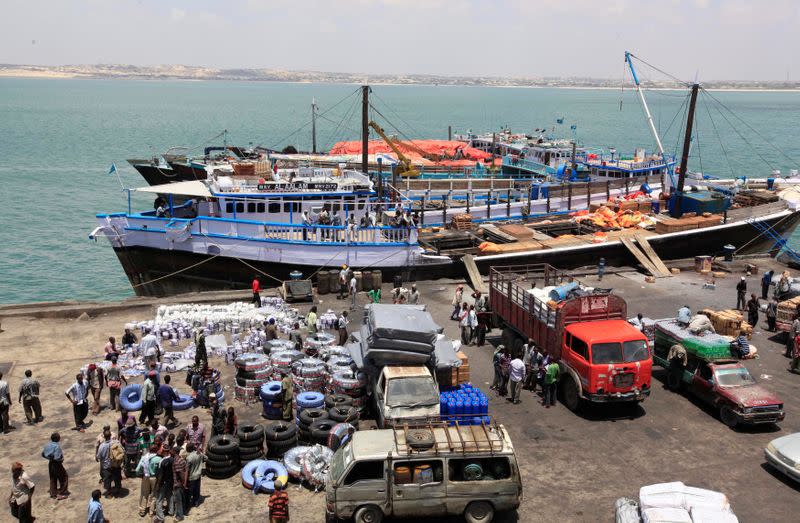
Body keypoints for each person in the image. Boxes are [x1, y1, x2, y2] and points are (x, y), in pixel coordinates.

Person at [135, 445, 161, 517]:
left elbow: (137, 469)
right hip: (154, 478)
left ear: (149, 450)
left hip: (145, 477)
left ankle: (143, 511)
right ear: (157, 450)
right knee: (154, 495)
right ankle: (151, 512)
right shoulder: (158, 459)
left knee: (144, 494)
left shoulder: (144, 457)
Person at [42, 432, 69, 500]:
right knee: (64, 477)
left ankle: (53, 493)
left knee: (53, 478)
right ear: (57, 439)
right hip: (57, 464)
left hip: (50, 463)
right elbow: (57, 458)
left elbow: (43, 454)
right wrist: (61, 459)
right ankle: (62, 493)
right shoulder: (57, 446)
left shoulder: (48, 445)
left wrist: (49, 458)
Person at [154, 444, 174, 521]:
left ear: (163, 451)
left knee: (159, 500)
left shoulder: (162, 462)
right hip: (170, 482)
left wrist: (158, 485)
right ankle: (171, 511)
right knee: (170, 496)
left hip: (163, 483)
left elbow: (160, 475)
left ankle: (160, 517)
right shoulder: (172, 459)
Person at [185, 443, 205, 510]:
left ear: (189, 449)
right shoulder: (199, 454)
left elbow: (187, 470)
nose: (186, 449)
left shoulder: (188, 458)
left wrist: (185, 481)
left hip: (191, 476)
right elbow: (206, 458)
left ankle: (188, 505)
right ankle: (196, 502)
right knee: (197, 489)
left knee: (190, 491)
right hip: (198, 475)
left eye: (187, 447)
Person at [96, 429, 115, 498]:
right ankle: (118, 489)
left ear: (104, 436)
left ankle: (109, 493)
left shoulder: (102, 446)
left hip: (106, 465)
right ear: (110, 435)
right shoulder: (115, 442)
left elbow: (98, 456)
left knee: (107, 480)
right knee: (115, 476)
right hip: (115, 464)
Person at [171, 446, 188, 521]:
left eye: (172, 451)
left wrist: (183, 483)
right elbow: (186, 470)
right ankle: (183, 511)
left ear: (174, 452)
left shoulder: (176, 462)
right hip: (181, 483)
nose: (170, 451)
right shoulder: (182, 460)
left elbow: (181, 473)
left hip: (178, 484)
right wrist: (185, 483)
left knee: (178, 501)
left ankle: (179, 516)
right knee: (182, 498)